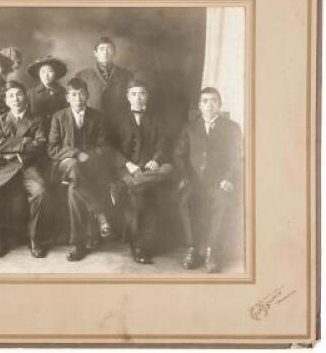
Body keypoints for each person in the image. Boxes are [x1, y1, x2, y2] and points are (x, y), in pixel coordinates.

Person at [174, 87, 242, 273]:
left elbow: (238, 158)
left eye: (213, 101)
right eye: (205, 101)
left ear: (219, 105)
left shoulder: (232, 127)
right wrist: (186, 177)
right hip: (195, 181)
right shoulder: (189, 127)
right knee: (185, 200)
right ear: (199, 106)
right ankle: (193, 249)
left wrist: (229, 179)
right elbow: (179, 156)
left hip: (219, 182)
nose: (209, 105)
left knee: (223, 200)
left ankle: (212, 251)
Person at [48, 78, 113, 261]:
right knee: (75, 166)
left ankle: (78, 245)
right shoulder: (58, 117)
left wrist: (89, 157)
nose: (78, 98)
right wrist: (76, 154)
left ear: (88, 96)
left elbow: (105, 147)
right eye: (74, 95)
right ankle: (100, 213)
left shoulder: (98, 117)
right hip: (63, 167)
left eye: (82, 94)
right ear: (67, 97)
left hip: (89, 169)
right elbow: (52, 149)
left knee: (73, 191)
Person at [114, 79, 174, 264]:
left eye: (141, 93)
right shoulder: (118, 118)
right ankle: (138, 246)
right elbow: (111, 147)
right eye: (133, 94)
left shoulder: (158, 117)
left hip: (150, 170)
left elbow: (164, 142)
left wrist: (156, 159)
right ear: (127, 96)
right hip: (128, 168)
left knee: (168, 169)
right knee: (139, 198)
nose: (138, 98)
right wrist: (127, 164)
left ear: (147, 96)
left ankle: (125, 185)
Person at [0, 80, 48, 258]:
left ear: (25, 97)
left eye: (19, 94)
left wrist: (14, 151)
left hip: (30, 165)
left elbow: (41, 143)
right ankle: (2, 238)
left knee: (40, 191)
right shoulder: (0, 120)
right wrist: (24, 142)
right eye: (11, 95)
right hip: (6, 166)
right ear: (7, 100)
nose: (16, 98)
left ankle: (34, 239)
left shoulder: (36, 119)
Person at [75, 36, 133, 145]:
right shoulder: (82, 75)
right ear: (95, 53)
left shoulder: (126, 75)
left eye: (109, 49)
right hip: (92, 127)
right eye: (102, 49)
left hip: (119, 126)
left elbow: (131, 102)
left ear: (114, 53)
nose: (105, 52)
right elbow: (77, 103)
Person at [27, 55, 68, 137]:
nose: (46, 75)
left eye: (50, 71)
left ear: (56, 73)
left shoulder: (64, 93)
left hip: (59, 133)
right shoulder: (30, 93)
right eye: (43, 72)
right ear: (38, 74)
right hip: (36, 135)